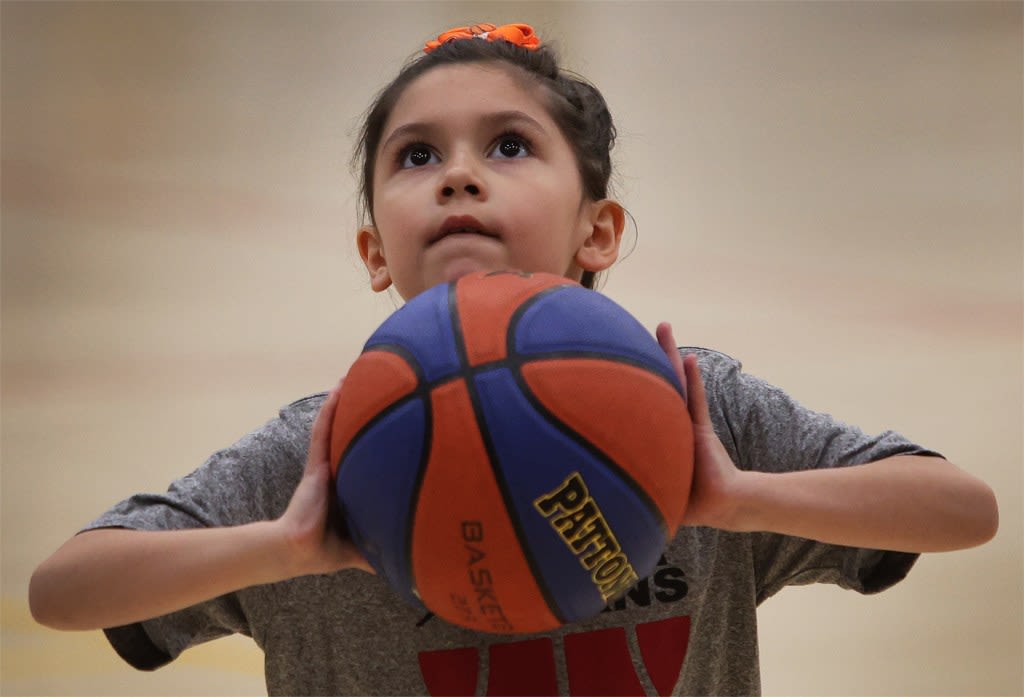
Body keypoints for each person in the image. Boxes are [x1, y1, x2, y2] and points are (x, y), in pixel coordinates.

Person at [29, 23, 998, 696]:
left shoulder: (696, 414)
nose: (457, 171)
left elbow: (960, 508)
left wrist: (738, 497)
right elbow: (64, 590)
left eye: (507, 144)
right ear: (375, 250)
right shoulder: (321, 458)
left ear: (599, 228)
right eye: (415, 156)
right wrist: (284, 548)